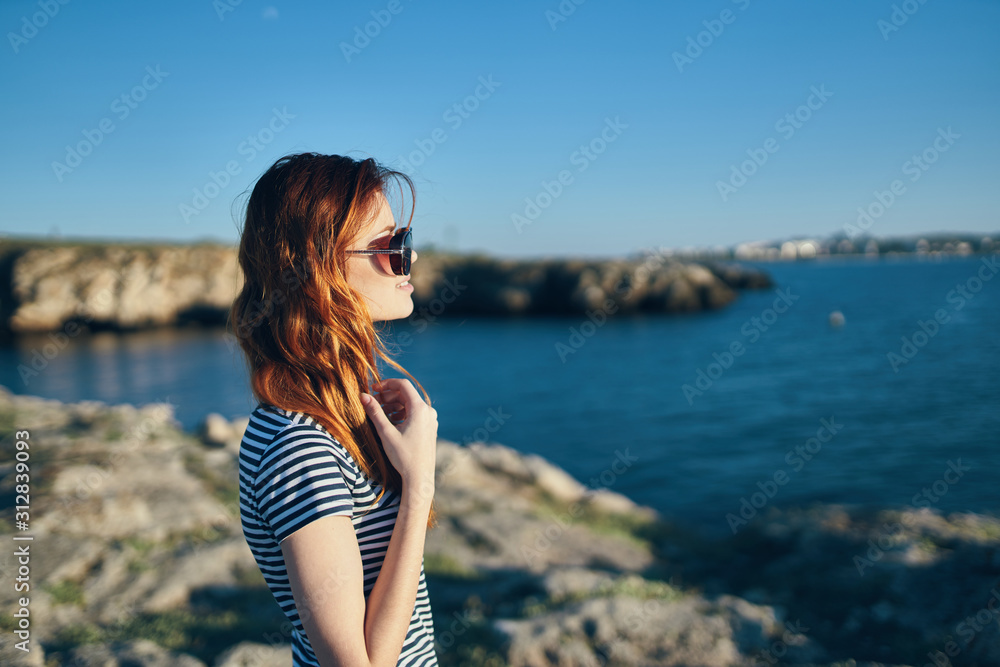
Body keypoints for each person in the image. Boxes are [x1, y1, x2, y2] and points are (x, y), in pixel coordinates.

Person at [228, 152, 439, 666]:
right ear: (319, 269)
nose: (407, 258)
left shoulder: (332, 412)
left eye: (404, 239)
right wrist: (419, 488)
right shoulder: (298, 446)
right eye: (388, 245)